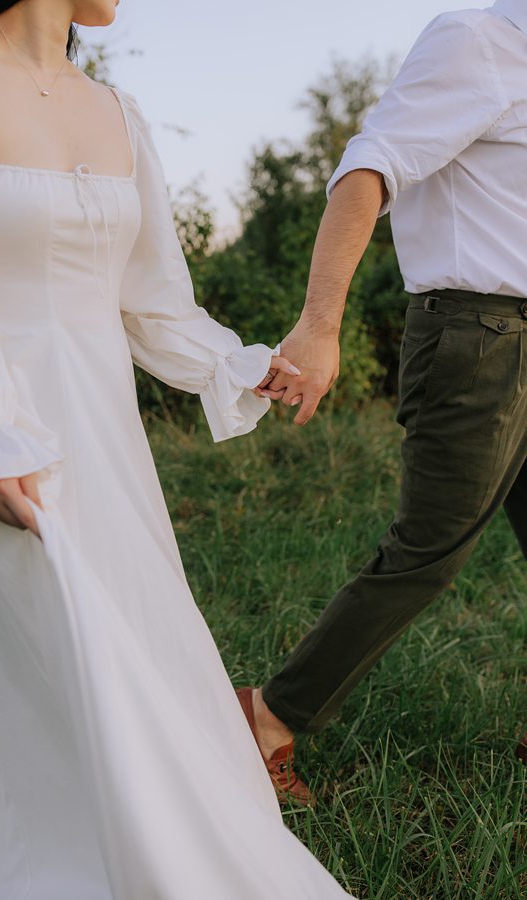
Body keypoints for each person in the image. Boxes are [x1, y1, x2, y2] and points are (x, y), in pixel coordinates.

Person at [0, 2, 354, 897]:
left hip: (109, 446)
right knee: (40, 659)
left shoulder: (119, 113)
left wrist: (241, 365)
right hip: (5, 440)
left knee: (137, 646)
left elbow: (151, 302)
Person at [239, 0, 527, 804]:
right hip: (481, 339)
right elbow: (366, 171)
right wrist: (318, 325)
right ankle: (264, 717)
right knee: (429, 554)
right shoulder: (478, 40)